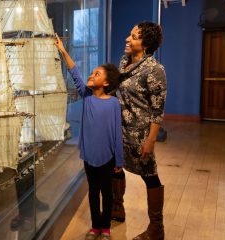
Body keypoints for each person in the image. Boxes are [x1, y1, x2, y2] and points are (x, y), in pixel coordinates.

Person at [55, 35, 123, 240]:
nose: (92, 75)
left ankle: (106, 228)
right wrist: (63, 51)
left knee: (106, 193)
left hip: (107, 158)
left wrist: (119, 160)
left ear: (107, 82)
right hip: (89, 157)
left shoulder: (113, 103)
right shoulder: (86, 96)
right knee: (93, 193)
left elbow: (117, 133)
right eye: (93, 73)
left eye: (97, 74)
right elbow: (75, 73)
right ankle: (95, 227)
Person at [112, 22, 167, 240]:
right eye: (130, 34)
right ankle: (117, 208)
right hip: (120, 129)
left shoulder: (155, 70)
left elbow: (157, 110)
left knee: (149, 176)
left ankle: (156, 229)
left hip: (141, 134)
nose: (127, 39)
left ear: (145, 44)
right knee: (116, 168)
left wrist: (151, 141)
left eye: (134, 37)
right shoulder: (124, 62)